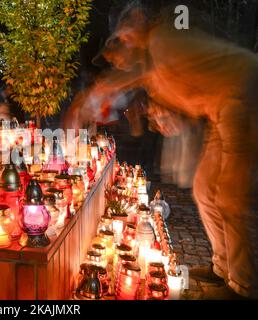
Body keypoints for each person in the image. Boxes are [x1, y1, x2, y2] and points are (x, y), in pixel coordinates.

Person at [65, 2, 258, 299]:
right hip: (219, 111)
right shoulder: (157, 57)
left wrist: (88, 99)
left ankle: (243, 287)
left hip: (242, 96)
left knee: (230, 197)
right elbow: (166, 85)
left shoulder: (160, 42)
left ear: (132, 33)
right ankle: (222, 269)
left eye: (118, 49)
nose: (117, 62)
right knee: (205, 189)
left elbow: (142, 71)